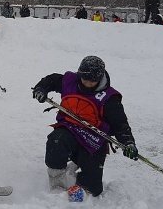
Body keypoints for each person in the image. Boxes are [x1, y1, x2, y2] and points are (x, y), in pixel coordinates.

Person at [32, 56, 138, 198]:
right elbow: (50, 80)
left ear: (99, 78)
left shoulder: (109, 98)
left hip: (93, 141)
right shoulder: (70, 81)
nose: (87, 83)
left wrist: (128, 143)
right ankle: (58, 182)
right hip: (69, 130)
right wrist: (40, 89)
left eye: (92, 80)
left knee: (91, 191)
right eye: (84, 79)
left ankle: (77, 169)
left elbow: (120, 124)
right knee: (56, 140)